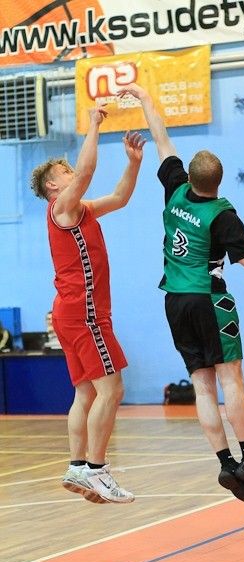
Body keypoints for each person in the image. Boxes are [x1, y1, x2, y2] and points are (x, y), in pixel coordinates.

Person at [118, 82, 244, 504]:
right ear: (220, 180)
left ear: (189, 176)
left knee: (202, 385)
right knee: (231, 378)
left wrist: (145, 97)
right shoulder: (222, 214)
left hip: (174, 301)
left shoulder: (174, 187)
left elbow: (162, 139)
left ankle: (226, 464)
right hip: (209, 299)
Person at [30, 107, 145, 504]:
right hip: (85, 314)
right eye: (65, 171)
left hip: (70, 313)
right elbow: (87, 172)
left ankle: (78, 465)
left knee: (86, 393)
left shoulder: (80, 210)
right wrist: (94, 125)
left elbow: (120, 197)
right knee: (112, 389)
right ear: (53, 185)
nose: (73, 172)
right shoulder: (61, 208)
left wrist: (133, 163)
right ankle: (97, 470)